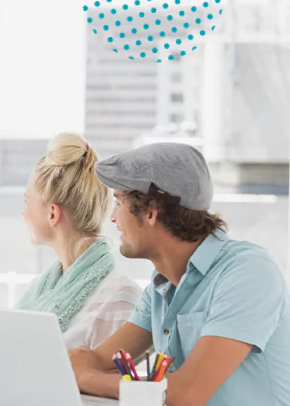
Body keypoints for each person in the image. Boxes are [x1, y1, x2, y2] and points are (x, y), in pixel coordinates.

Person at [69, 142, 290, 406]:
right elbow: (102, 361)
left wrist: (86, 378)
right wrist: (78, 363)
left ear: (151, 212)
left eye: (118, 203)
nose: (113, 218)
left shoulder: (248, 273)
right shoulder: (161, 287)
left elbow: (186, 393)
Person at [0, 133, 141, 405]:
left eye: (27, 202)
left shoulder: (119, 299)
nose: (23, 213)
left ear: (52, 213)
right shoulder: (42, 291)